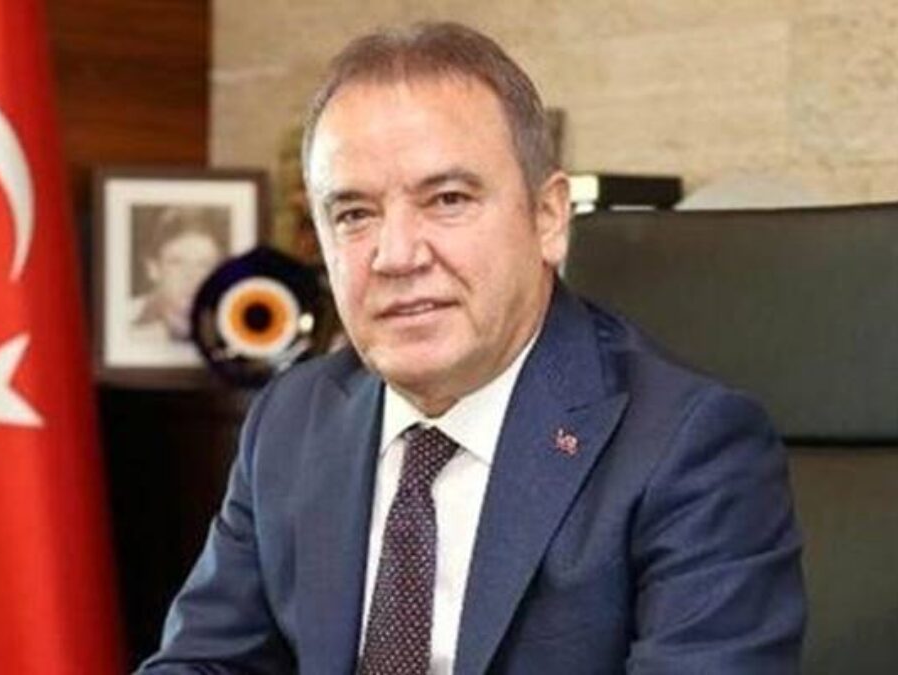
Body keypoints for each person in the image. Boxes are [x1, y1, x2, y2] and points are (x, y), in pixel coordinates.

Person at [140, 21, 804, 674]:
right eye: (354, 214)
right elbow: (206, 661)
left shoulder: (688, 446)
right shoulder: (293, 417)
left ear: (549, 217)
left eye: (448, 199)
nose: (396, 255)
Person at [129, 205, 226, 343]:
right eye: (177, 263)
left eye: (204, 264)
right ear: (153, 269)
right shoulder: (120, 324)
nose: (192, 277)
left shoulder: (233, 324)